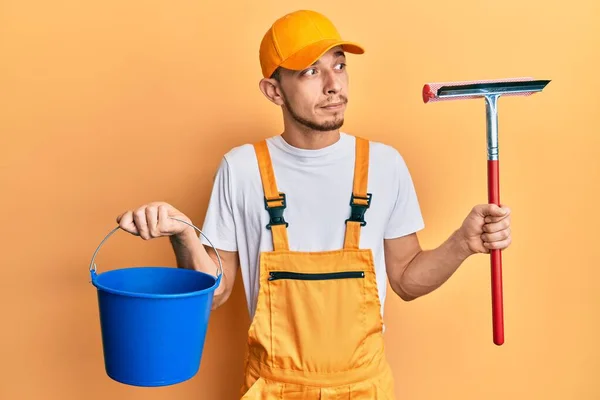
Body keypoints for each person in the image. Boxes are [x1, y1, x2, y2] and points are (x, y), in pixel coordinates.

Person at [116, 9, 512, 399]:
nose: (332, 85)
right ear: (274, 91)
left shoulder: (384, 165)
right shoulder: (241, 169)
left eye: (338, 66)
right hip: (272, 389)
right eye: (310, 71)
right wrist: (184, 235)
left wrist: (463, 242)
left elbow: (406, 280)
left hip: (364, 390)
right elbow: (215, 295)